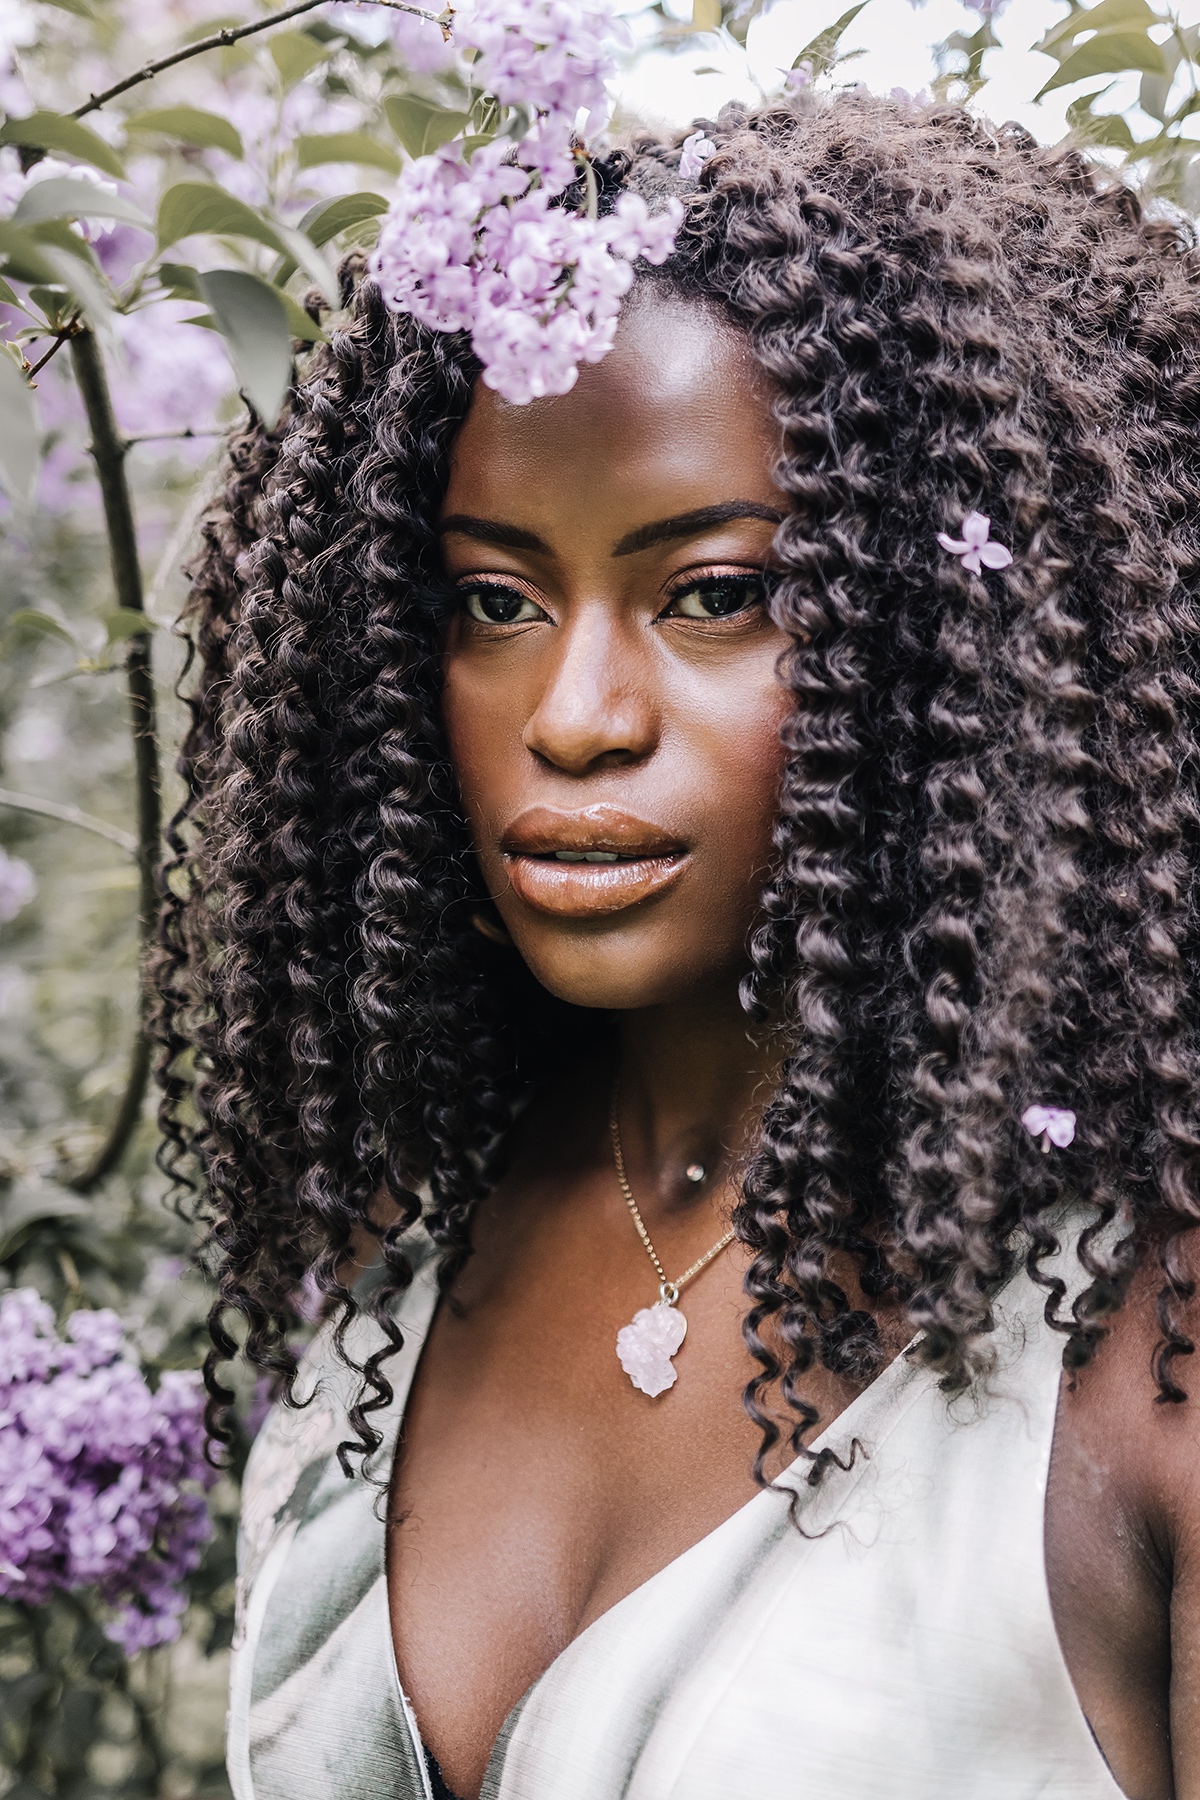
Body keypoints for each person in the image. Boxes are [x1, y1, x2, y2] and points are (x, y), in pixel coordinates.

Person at [152, 91, 1200, 1800]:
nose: (574, 718)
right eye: (495, 600)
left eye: (715, 592)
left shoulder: (1147, 1336)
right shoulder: (400, 1270)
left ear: (959, 635)